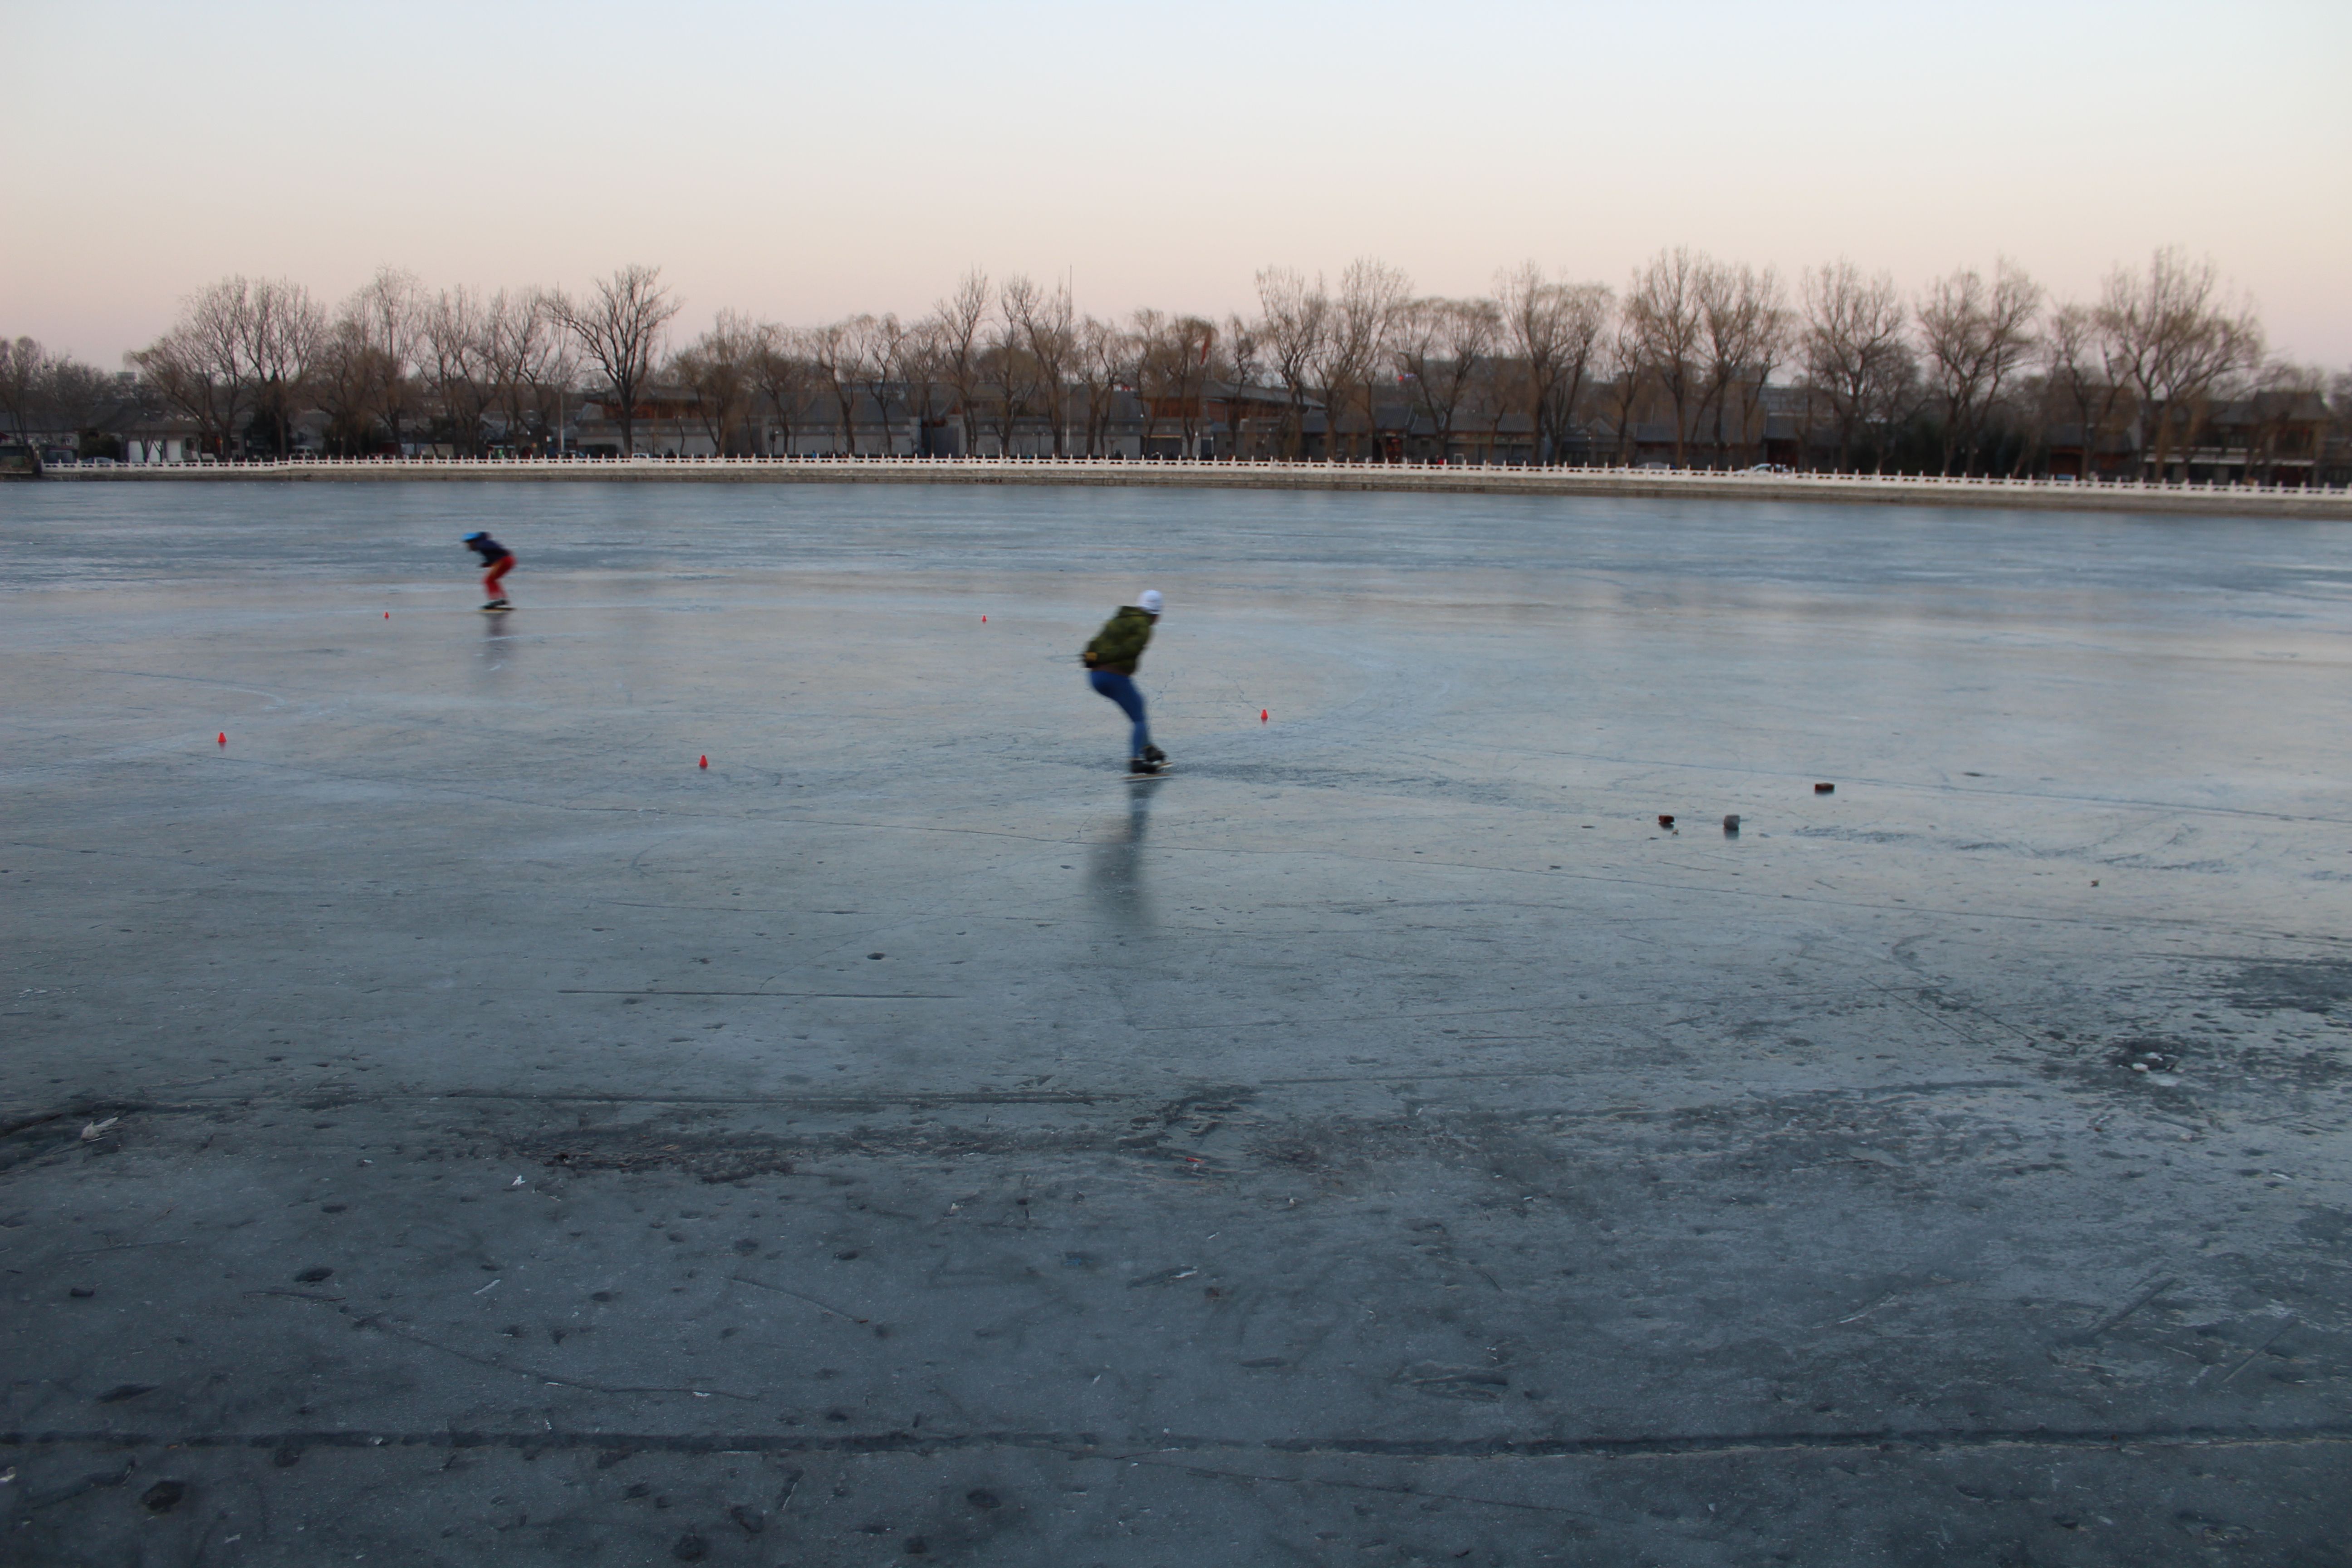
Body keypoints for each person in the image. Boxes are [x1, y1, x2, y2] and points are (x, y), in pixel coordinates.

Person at [1083, 589, 1167, 774]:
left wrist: (1091, 658)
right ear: (1156, 614)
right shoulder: (1144, 626)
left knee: (1137, 707)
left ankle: (1148, 748)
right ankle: (1136, 759)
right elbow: (1130, 649)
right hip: (1113, 676)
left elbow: (1095, 643)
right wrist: (1104, 658)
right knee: (1138, 716)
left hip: (1095, 678)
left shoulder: (1120, 618)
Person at [463, 531, 514, 609]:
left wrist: (503, 553)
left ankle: (495, 600)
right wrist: (488, 563)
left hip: (503, 561)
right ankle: (502, 599)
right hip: (508, 560)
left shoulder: (481, 544)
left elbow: (494, 549)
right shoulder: (483, 544)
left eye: (468, 543)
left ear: (473, 541)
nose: (468, 545)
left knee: (488, 580)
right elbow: (494, 553)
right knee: (493, 580)